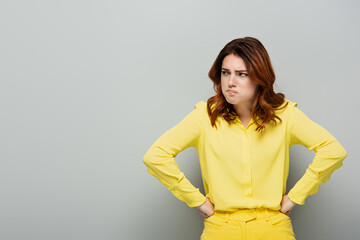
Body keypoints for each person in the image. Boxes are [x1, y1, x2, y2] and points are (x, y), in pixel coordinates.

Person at [142, 36, 347, 240]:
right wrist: (196, 200)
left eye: (241, 74)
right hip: (220, 228)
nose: (230, 82)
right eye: (225, 73)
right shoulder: (204, 116)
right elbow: (156, 157)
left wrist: (296, 196)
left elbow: (333, 151)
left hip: (273, 228)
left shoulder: (285, 115)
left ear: (260, 77)